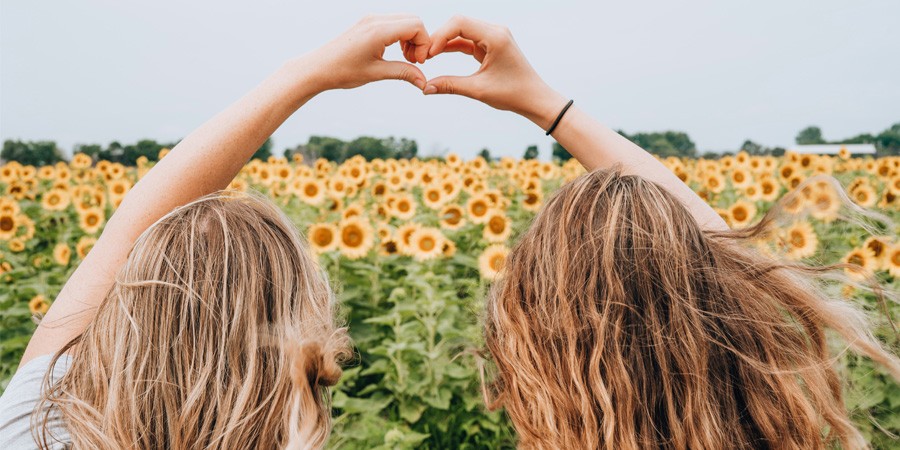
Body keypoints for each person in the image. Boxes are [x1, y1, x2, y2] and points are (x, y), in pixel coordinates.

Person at [419, 15, 900, 449]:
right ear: (723, 321)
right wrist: (545, 102)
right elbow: (732, 262)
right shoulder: (761, 429)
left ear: (536, 347)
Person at [0, 14, 436, 450]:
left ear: (123, 327)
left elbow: (125, 231)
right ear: (295, 362)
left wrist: (303, 75)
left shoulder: (32, 429)